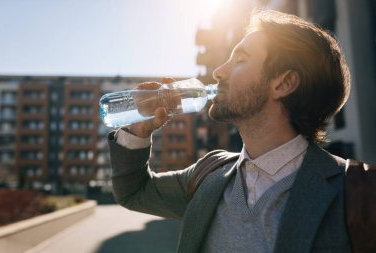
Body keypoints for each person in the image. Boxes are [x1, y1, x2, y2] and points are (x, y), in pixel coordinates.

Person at [108, 10, 351, 253]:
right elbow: (134, 192)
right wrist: (137, 132)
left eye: (240, 60)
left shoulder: (356, 194)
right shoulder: (208, 174)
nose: (218, 72)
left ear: (283, 84)